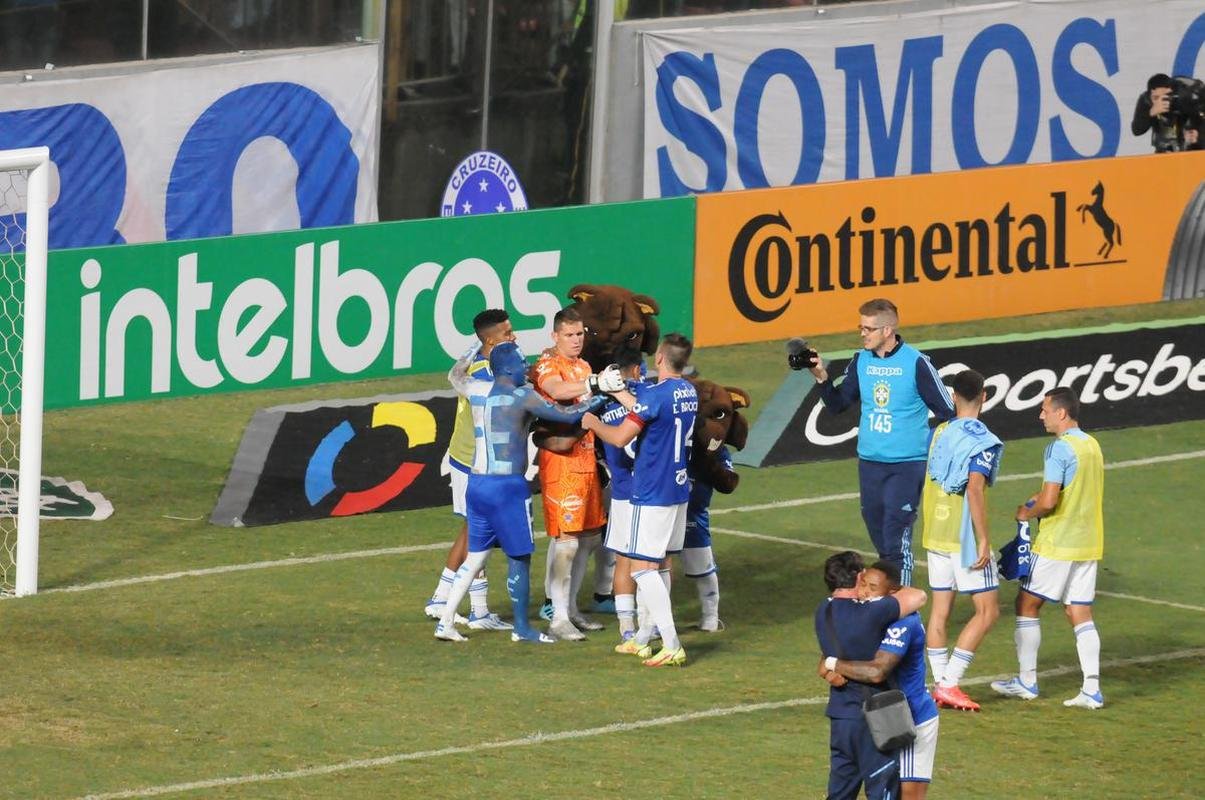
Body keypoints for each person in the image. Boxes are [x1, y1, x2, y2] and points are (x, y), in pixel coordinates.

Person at [434, 342, 620, 643]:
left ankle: (445, 621)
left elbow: (455, 376)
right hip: (507, 488)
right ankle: (522, 628)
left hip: (477, 484)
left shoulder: (477, 389)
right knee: (519, 557)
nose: (529, 367)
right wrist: (600, 392)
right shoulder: (523, 396)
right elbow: (567, 415)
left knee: (477, 556)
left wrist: (468, 352)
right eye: (523, 363)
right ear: (508, 368)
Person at [807, 299, 954, 584]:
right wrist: (822, 377)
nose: (863, 333)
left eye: (869, 328)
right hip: (870, 465)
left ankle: (903, 609)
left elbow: (948, 411)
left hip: (906, 466)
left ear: (887, 330)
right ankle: (890, 600)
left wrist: (940, 454)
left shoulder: (916, 363)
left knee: (895, 541)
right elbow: (837, 405)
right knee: (881, 540)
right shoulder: (861, 360)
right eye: (861, 327)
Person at [582, 332, 697, 667]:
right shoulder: (687, 390)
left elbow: (619, 437)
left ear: (659, 357)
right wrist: (619, 391)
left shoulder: (656, 397)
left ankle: (672, 642)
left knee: (642, 569)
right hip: (678, 489)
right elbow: (648, 407)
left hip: (652, 491)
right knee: (659, 564)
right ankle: (644, 639)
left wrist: (593, 424)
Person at [991, 387, 1105, 709]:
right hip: (1089, 542)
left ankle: (1027, 681)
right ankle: (1092, 689)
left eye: (1044, 410)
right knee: (1079, 611)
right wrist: (1039, 498)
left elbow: (1051, 500)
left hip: (1058, 543)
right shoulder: (1092, 445)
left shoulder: (1059, 448)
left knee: (1026, 604)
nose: (1041, 416)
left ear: (1061, 413)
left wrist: (1027, 512)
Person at [424, 310, 516, 631]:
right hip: (471, 461)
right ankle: (470, 609)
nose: (514, 337)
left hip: (476, 459)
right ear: (491, 339)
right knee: (476, 533)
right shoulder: (484, 373)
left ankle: (449, 601)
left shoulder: (478, 360)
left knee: (474, 532)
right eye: (507, 333)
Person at [821, 560, 941, 800]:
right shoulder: (868, 617)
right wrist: (829, 668)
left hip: (911, 718)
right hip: (884, 716)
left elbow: (877, 671)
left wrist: (834, 665)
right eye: (863, 584)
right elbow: (826, 661)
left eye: (873, 587)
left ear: (892, 593)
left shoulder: (904, 622)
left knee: (908, 796)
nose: (864, 592)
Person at [920, 369, 1003, 712]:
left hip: (934, 532)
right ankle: (950, 682)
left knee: (940, 612)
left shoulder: (939, 431)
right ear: (984, 396)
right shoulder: (984, 440)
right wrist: (983, 539)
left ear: (953, 396)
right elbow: (974, 488)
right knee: (988, 611)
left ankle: (939, 683)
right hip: (963, 537)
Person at [532, 306, 617, 640]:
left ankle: (572, 610)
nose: (576, 340)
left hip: (585, 463)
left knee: (588, 539)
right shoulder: (546, 364)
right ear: (555, 336)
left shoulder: (582, 365)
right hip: (561, 463)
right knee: (565, 544)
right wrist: (596, 382)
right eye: (569, 334)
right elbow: (557, 391)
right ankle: (558, 617)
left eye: (580, 334)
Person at [596, 347, 646, 643]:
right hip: (653, 494)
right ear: (638, 370)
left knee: (624, 560)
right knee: (658, 562)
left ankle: (627, 629)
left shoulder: (601, 405)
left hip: (622, 493)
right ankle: (651, 623)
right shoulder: (650, 396)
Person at [1131, 73, 1201, 152]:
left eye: (1166, 96)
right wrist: (1150, 113)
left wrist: (1197, 132)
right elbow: (1137, 130)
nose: (1161, 101)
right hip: (1165, 146)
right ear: (1149, 95)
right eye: (1156, 97)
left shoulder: (1185, 97)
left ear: (1173, 93)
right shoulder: (1146, 101)